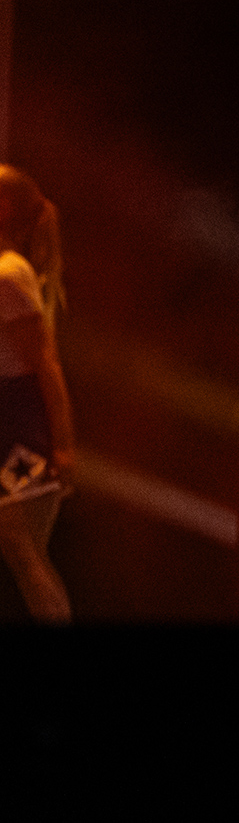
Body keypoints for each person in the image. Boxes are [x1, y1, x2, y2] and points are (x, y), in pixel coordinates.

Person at [0, 166, 76, 625]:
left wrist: (63, 445)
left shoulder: (9, 273)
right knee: (21, 550)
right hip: (9, 421)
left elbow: (45, 364)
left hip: (21, 425)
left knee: (22, 547)